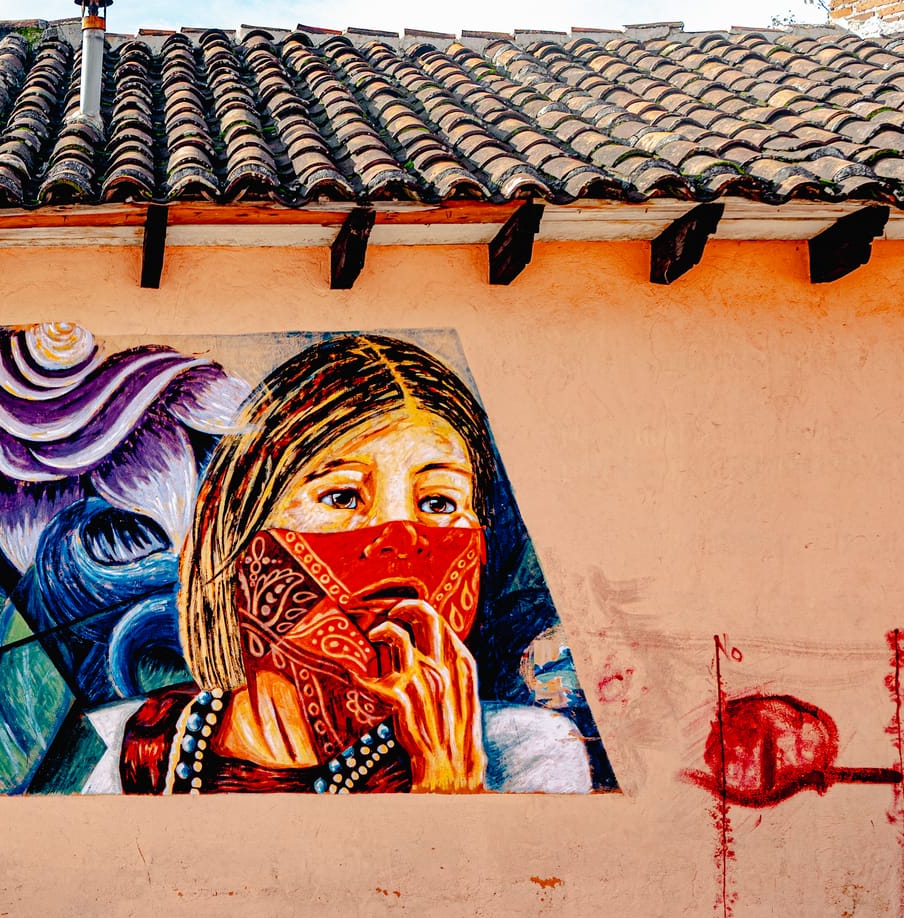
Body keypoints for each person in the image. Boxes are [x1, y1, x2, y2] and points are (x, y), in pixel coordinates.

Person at [119, 334, 591, 795]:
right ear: (235, 533)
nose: (400, 538)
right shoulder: (141, 743)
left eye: (440, 502)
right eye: (343, 496)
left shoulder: (527, 752)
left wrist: (447, 778)